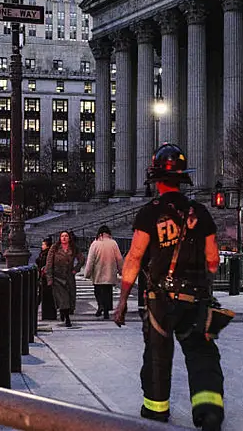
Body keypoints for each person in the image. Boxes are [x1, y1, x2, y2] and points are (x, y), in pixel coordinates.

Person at [113, 144, 224, 431]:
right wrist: (204, 284)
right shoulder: (201, 212)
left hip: (160, 299)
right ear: (182, 179)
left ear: (157, 180)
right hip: (196, 298)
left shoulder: (150, 213)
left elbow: (135, 258)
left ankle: (157, 410)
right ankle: (209, 411)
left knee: (157, 355)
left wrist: (123, 300)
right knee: (202, 354)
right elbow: (213, 259)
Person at [84, 225, 123, 319]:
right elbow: (119, 258)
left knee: (98, 291)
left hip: (98, 272)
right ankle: (106, 311)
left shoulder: (95, 244)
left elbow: (90, 260)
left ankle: (100, 305)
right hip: (110, 273)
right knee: (108, 292)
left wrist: (87, 273)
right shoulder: (113, 243)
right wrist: (121, 270)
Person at [45, 230, 81, 327]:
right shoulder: (55, 248)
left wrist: (75, 269)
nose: (64, 238)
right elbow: (49, 263)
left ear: (69, 238)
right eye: (62, 236)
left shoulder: (73, 248)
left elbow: (81, 259)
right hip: (58, 277)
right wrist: (49, 278)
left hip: (69, 276)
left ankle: (63, 311)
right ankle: (67, 318)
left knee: (69, 298)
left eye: (66, 236)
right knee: (63, 298)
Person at [36, 236, 57, 321]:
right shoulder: (43, 253)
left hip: (46, 276)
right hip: (44, 277)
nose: (42, 246)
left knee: (45, 295)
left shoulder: (47, 254)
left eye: (43, 244)